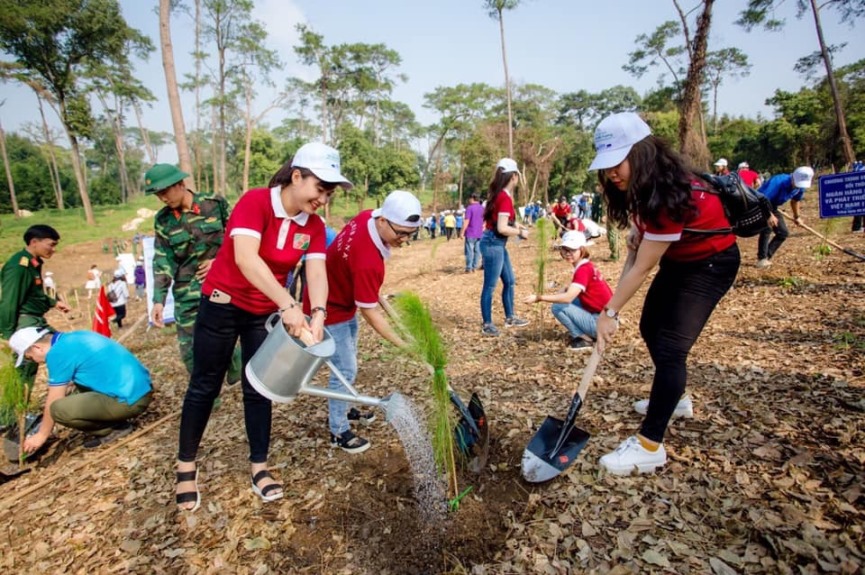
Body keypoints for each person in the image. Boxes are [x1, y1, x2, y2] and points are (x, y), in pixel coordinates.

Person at [174, 142, 351, 511]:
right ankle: (186, 467)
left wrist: (318, 313)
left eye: (329, 194)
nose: (323, 200)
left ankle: (259, 467)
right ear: (296, 176)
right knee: (205, 385)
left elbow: (316, 271)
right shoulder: (255, 202)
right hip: (222, 305)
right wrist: (288, 304)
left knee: (259, 386)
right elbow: (245, 259)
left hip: (262, 313)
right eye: (320, 189)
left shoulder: (314, 225)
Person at [589, 112, 740, 475]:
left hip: (710, 264)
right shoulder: (646, 186)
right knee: (650, 325)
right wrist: (638, 233)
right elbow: (640, 250)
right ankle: (676, 399)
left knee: (672, 347)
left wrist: (609, 312)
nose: (612, 173)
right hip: (680, 260)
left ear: (641, 153)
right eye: (606, 166)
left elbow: (642, 268)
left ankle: (649, 445)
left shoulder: (669, 194)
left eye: (617, 162)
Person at [309, 190, 422, 453]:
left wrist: (369, 289)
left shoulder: (366, 217)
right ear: (383, 221)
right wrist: (402, 344)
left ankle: (345, 407)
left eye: (410, 234)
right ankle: (338, 431)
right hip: (329, 308)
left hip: (342, 299)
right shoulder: (368, 261)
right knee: (344, 370)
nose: (404, 240)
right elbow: (370, 312)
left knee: (349, 359)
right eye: (401, 233)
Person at [144, 162, 241, 383]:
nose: (163, 198)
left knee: (220, 339)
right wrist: (158, 301)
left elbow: (238, 237)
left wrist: (219, 261)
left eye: (165, 191)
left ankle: (237, 362)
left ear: (180, 184)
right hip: (186, 292)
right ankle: (207, 396)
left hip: (220, 286)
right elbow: (162, 259)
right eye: (158, 194)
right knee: (190, 350)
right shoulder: (163, 221)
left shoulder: (214, 204)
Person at [9, 326, 152, 452]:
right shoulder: (74, 337)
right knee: (74, 386)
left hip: (130, 401)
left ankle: (113, 429)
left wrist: (41, 435)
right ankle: (114, 419)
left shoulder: (57, 354)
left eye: (30, 357)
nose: (34, 361)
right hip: (142, 388)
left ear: (37, 348)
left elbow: (54, 399)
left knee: (58, 410)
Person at [0, 225, 71, 386]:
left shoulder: (33, 263)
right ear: (34, 242)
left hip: (34, 320)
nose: (53, 249)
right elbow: (9, 302)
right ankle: (16, 403)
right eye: (51, 245)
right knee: (24, 372)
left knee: (63, 348)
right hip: (24, 323)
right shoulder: (19, 266)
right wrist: (7, 335)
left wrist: (54, 302)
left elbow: (33, 294)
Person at [524, 231, 612, 351]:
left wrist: (539, 297)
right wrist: (566, 288)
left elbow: (567, 298)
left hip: (602, 324)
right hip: (608, 319)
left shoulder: (582, 270)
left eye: (572, 250)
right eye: (565, 249)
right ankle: (588, 331)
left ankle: (584, 338)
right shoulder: (587, 265)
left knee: (557, 307)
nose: (567, 253)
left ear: (582, 249)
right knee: (571, 300)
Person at [479, 158, 531, 337]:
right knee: (490, 285)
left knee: (509, 281)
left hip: (497, 243)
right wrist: (520, 232)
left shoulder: (501, 195)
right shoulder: (504, 198)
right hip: (493, 243)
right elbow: (502, 228)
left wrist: (517, 225)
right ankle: (487, 324)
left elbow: (505, 220)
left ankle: (510, 317)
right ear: (514, 176)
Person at [755, 166, 814, 269]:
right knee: (768, 227)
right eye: (797, 183)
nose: (798, 186)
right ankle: (762, 259)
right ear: (793, 178)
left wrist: (797, 217)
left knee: (783, 233)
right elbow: (762, 199)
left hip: (773, 206)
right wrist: (769, 215)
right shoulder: (778, 181)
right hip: (759, 204)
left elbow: (795, 201)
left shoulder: (800, 187)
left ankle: (767, 256)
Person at [463, 194, 484, 272]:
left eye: (469, 198)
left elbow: (466, 221)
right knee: (477, 251)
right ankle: (474, 266)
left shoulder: (469, 208)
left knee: (469, 251)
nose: (469, 200)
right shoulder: (483, 208)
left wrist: (462, 232)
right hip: (480, 233)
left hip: (470, 232)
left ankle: (469, 267)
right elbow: (485, 221)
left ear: (472, 198)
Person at [851, 160, 864, 233]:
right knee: (858, 211)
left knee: (859, 210)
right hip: (858, 194)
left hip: (858, 193)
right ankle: (856, 228)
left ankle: (857, 227)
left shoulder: (856, 170)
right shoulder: (858, 170)